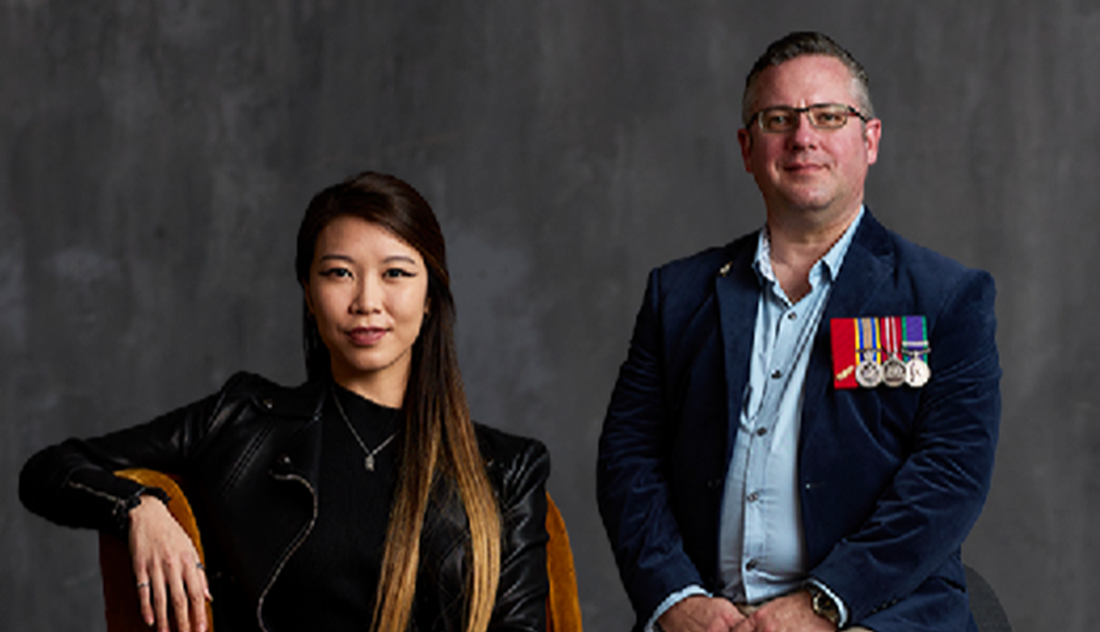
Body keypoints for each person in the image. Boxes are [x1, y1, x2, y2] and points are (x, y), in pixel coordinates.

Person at [21, 171, 551, 632]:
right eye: (339, 273)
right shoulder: (241, 424)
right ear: (308, 290)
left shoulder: (505, 469)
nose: (367, 301)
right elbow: (48, 471)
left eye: (395, 274)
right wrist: (138, 507)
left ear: (430, 294)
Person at [597, 32, 1000, 632]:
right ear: (746, 146)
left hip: (877, 616)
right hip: (710, 619)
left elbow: (949, 476)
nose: (803, 137)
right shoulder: (676, 296)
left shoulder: (945, 299)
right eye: (778, 118)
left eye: (829, 116)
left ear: (870, 139)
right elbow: (629, 460)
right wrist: (675, 598)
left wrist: (823, 603)